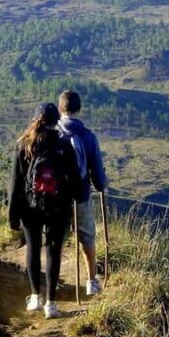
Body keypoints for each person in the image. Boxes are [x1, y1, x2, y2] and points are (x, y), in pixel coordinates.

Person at [8, 103, 82, 319]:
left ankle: (35, 297)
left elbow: (15, 183)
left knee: (33, 248)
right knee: (53, 251)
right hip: (57, 206)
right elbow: (75, 180)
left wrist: (12, 214)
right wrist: (77, 199)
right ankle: (51, 303)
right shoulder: (63, 146)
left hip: (29, 206)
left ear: (35, 119)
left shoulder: (24, 145)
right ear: (55, 120)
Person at [58, 90, 108, 296]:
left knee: (57, 238)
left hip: (56, 196)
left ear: (60, 108)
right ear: (79, 109)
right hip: (81, 194)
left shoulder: (53, 133)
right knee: (87, 236)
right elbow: (96, 171)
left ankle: (54, 280)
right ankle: (91, 281)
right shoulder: (88, 136)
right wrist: (101, 185)